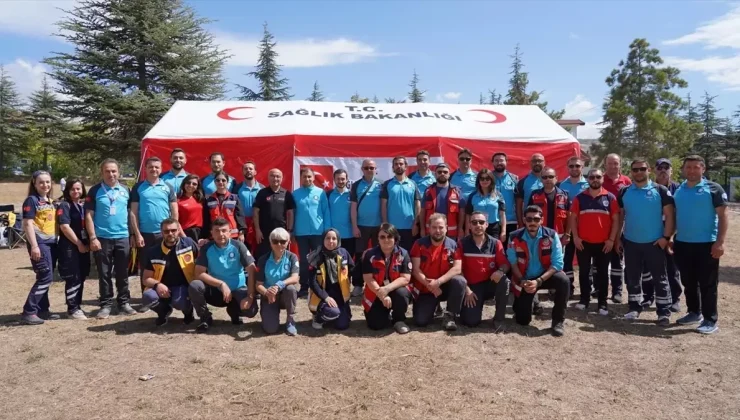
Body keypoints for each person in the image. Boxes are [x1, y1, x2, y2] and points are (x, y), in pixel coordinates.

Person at [673, 155, 728, 334]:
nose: (691, 170)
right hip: (682, 243)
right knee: (688, 281)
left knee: (708, 283)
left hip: (706, 243)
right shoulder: (679, 190)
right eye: (688, 167)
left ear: (703, 169)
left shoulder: (713, 189)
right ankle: (693, 312)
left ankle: (710, 319)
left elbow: (723, 216)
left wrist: (719, 243)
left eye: (696, 167)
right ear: (683, 169)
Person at [617, 158, 674, 325]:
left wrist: (666, 237)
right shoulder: (624, 191)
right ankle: (634, 307)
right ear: (631, 172)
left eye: (642, 169)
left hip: (654, 243)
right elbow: (621, 217)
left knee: (660, 277)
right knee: (633, 277)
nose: (639, 172)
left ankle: (664, 311)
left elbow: (670, 216)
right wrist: (618, 239)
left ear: (648, 170)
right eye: (635, 170)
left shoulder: (660, 190)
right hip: (631, 242)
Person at [85, 159, 136, 319]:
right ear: (102, 173)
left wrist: (133, 234)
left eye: (114, 171)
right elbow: (88, 216)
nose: (111, 174)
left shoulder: (126, 190)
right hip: (102, 238)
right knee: (104, 273)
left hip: (123, 237)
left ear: (118, 172)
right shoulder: (94, 191)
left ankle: (124, 303)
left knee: (123, 273)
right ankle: (106, 304)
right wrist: (93, 237)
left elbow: (130, 214)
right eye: (107, 171)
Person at [507, 205, 569, 337]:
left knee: (564, 281)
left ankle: (558, 321)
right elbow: (513, 263)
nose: (532, 222)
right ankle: (529, 302)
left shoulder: (552, 235)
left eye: (536, 219)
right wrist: (523, 281)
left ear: (542, 219)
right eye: (529, 219)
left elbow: (557, 263)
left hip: (545, 277)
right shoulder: (513, 237)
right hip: (525, 278)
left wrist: (539, 281)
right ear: (524, 220)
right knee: (522, 321)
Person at [189, 218, 259, 333]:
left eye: (224, 230)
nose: (220, 234)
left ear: (230, 232)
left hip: (238, 288)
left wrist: (250, 296)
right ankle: (205, 317)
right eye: (216, 231)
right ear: (211, 233)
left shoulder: (238, 246)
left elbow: (252, 270)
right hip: (216, 291)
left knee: (251, 311)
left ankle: (234, 311)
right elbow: (198, 273)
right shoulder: (207, 248)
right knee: (195, 285)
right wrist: (221, 284)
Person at [569, 169, 619, 314]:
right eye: (592, 177)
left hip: (604, 243)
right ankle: (584, 299)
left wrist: (611, 240)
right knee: (584, 272)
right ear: (587, 179)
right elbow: (573, 218)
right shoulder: (580, 198)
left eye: (598, 177)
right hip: (584, 243)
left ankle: (602, 303)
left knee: (603, 273)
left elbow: (616, 221)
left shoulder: (610, 198)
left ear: (602, 178)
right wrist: (576, 237)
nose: (595, 179)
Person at [130, 157, 178, 299]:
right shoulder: (138, 187)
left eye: (157, 167)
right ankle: (147, 296)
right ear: (145, 169)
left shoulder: (168, 187)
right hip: (145, 234)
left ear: (161, 169)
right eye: (151, 167)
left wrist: (174, 230)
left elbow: (174, 210)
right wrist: (136, 234)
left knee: (167, 265)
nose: (154, 169)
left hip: (165, 234)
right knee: (146, 266)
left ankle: (167, 294)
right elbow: (133, 212)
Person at [410, 213, 466, 331]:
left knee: (459, 281)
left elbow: (457, 268)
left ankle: (450, 316)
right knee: (420, 321)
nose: (438, 231)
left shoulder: (453, 245)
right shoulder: (419, 244)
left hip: (443, 286)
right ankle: (435, 306)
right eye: (434, 227)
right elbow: (415, 270)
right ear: (429, 228)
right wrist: (431, 285)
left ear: (446, 228)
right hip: (426, 287)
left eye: (441, 227)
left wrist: (438, 282)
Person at [641, 158, 682, 311]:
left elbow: (680, 215)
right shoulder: (648, 187)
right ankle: (648, 296)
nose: (663, 170)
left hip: (671, 235)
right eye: (660, 167)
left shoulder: (679, 189)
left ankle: (674, 299)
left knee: (672, 268)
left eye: (666, 167)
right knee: (648, 269)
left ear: (671, 170)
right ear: (654, 170)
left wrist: (670, 236)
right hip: (651, 235)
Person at [458, 211, 510, 330]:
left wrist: (500, 271)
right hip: (472, 287)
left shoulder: (496, 243)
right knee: (470, 322)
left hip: (490, 284)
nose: (478, 225)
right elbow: (457, 269)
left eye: (481, 222)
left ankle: (499, 319)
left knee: (505, 281)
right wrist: (467, 290)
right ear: (469, 225)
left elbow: (505, 264)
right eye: (474, 222)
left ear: (487, 224)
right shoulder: (462, 243)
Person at [20, 171, 60, 325]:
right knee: (46, 277)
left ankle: (43, 310)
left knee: (45, 277)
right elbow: (27, 223)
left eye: (48, 182)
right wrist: (35, 246)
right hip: (39, 244)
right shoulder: (31, 200)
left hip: (51, 244)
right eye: (41, 182)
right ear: (34, 184)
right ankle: (29, 311)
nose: (45, 185)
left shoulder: (49, 201)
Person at [141, 218, 197, 326]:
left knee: (179, 301)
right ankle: (163, 312)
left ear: (178, 230)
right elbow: (145, 279)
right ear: (161, 232)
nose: (170, 233)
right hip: (162, 288)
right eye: (166, 231)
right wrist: (157, 285)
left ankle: (188, 313)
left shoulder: (189, 243)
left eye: (173, 230)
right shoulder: (153, 251)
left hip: (183, 287)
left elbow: (202, 261)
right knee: (148, 296)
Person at [362, 223, 413, 334]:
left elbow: (405, 278)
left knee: (402, 293)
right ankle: (385, 313)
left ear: (395, 238)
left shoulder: (403, 254)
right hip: (376, 292)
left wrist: (387, 289)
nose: (386, 240)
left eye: (389, 236)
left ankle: (398, 320)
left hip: (394, 291)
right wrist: (382, 294)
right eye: (382, 237)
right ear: (378, 239)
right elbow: (368, 278)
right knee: (376, 325)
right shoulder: (369, 255)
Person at [293, 167, 331, 297]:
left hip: (318, 232)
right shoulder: (295, 194)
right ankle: (304, 286)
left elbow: (326, 212)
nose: (307, 179)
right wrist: (292, 231)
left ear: (313, 178)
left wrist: (327, 230)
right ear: (301, 178)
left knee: (318, 259)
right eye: (304, 176)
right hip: (301, 232)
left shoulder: (320, 193)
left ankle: (319, 285)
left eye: (309, 176)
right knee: (304, 260)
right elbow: (293, 213)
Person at [255, 228, 300, 336]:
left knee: (291, 288)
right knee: (270, 329)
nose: (279, 244)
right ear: (270, 243)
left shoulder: (292, 257)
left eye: (283, 241)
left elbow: (295, 278)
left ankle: (290, 321)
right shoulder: (263, 259)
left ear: (288, 242)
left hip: (285, 295)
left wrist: (279, 285)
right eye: (275, 241)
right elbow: (258, 285)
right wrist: (267, 293)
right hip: (269, 296)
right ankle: (269, 315)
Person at [57, 178, 91, 320]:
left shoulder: (82, 205)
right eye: (72, 189)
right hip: (70, 247)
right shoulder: (64, 205)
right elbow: (64, 227)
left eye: (78, 188)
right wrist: (78, 243)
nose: (76, 191)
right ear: (67, 190)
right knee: (73, 277)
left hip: (82, 246)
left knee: (81, 276)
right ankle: (72, 308)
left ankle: (77, 305)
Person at [307, 228, 354, 330]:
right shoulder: (316, 256)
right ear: (323, 239)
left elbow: (352, 269)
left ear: (338, 240)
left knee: (342, 325)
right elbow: (312, 282)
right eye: (327, 238)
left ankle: (335, 313)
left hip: (340, 296)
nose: (331, 241)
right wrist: (326, 297)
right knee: (334, 312)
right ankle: (318, 318)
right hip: (322, 296)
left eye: (334, 238)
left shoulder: (343, 253)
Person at [601, 153, 631, 303]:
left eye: (616, 163)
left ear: (620, 165)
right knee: (600, 259)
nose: (613, 166)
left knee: (617, 259)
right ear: (605, 165)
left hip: (620, 226)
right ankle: (600, 289)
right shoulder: (599, 180)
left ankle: (617, 291)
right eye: (610, 163)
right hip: (601, 226)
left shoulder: (626, 182)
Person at [350, 159, 382, 296]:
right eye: (367, 168)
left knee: (378, 255)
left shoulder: (382, 184)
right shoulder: (356, 185)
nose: (369, 170)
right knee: (359, 256)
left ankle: (377, 282)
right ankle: (358, 284)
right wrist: (355, 226)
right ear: (362, 169)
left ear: (376, 169)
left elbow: (385, 204)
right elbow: (353, 207)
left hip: (378, 226)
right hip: (361, 226)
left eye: (372, 167)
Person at [557, 156, 589, 291]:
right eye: (571, 166)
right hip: (567, 229)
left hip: (586, 228)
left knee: (586, 260)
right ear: (567, 167)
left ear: (582, 167)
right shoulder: (560, 185)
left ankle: (587, 288)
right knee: (567, 258)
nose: (575, 168)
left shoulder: (589, 185)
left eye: (577, 166)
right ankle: (568, 287)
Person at [253, 168, 295, 261]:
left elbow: (291, 213)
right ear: (268, 177)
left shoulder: (286, 194)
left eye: (278, 176)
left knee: (281, 258)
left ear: (282, 178)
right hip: (264, 234)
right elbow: (255, 212)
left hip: (281, 233)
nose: (275, 178)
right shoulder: (262, 193)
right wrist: (257, 230)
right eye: (272, 176)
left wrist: (289, 231)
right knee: (263, 259)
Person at [381, 156, 421, 251]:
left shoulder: (413, 184)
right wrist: (386, 224)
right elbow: (383, 205)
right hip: (392, 228)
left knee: (409, 254)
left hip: (409, 227)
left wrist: (416, 223)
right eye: (396, 164)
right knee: (392, 254)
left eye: (401, 164)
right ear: (393, 167)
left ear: (406, 166)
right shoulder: (387, 184)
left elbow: (417, 204)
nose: (399, 166)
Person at [420, 163, 464, 240]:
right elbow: (423, 211)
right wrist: (422, 229)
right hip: (432, 231)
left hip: (451, 233)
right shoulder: (428, 191)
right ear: (435, 174)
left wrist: (460, 228)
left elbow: (462, 212)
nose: (442, 174)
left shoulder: (457, 191)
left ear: (449, 174)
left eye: (445, 172)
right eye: (439, 172)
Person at [201, 171, 246, 242]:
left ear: (227, 182)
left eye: (223, 180)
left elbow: (239, 216)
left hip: (232, 235)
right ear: (214, 182)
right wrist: (205, 236)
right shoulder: (209, 199)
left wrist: (241, 233)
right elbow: (206, 219)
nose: (220, 182)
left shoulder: (234, 198)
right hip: (215, 235)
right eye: (218, 180)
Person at [232, 161, 263, 253]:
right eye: (246, 169)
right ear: (242, 172)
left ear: (255, 172)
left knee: (258, 249)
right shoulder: (237, 188)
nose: (248, 170)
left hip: (257, 224)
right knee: (243, 249)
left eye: (250, 169)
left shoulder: (262, 188)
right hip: (242, 223)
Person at [466, 168, 506, 240]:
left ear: (491, 180)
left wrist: (503, 231)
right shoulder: (472, 196)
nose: (485, 181)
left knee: (493, 250)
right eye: (482, 179)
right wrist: (466, 231)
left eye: (487, 178)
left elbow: (502, 215)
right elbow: (468, 214)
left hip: (493, 228)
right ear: (478, 180)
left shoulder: (498, 195)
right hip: (476, 227)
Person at [491, 152, 518, 247]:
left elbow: (518, 201)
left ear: (506, 162)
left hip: (511, 221)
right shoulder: (487, 178)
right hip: (493, 220)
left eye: (501, 160)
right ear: (492, 163)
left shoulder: (514, 178)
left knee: (510, 250)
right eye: (496, 161)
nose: (499, 163)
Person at [326, 169, 355, 257]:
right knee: (334, 262)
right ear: (334, 180)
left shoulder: (352, 194)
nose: (340, 181)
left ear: (347, 180)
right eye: (338, 179)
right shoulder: (328, 194)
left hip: (350, 234)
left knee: (348, 261)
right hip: (333, 236)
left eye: (342, 179)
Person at [515, 153, 545, 227]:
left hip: (547, 221)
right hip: (530, 222)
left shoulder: (550, 179)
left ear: (544, 163)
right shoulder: (523, 182)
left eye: (539, 161)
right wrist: (521, 224)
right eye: (534, 161)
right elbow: (518, 206)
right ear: (530, 163)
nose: (537, 163)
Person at [177, 174, 204, 242]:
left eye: (194, 184)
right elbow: (176, 220)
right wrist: (182, 235)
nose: (191, 185)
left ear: (197, 187)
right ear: (184, 184)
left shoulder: (200, 199)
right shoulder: (178, 200)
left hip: (200, 233)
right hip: (186, 232)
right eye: (188, 183)